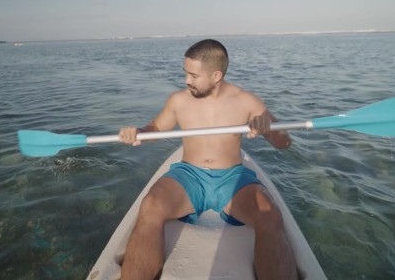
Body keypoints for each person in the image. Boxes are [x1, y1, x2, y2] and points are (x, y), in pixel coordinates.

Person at [118, 39, 298, 280]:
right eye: (185, 73)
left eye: (193, 75)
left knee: (268, 213)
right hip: (188, 176)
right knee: (151, 205)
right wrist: (139, 133)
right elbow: (155, 129)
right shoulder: (178, 100)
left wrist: (268, 127)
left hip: (232, 179)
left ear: (216, 75)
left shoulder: (246, 101)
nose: (186, 80)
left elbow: (284, 143)